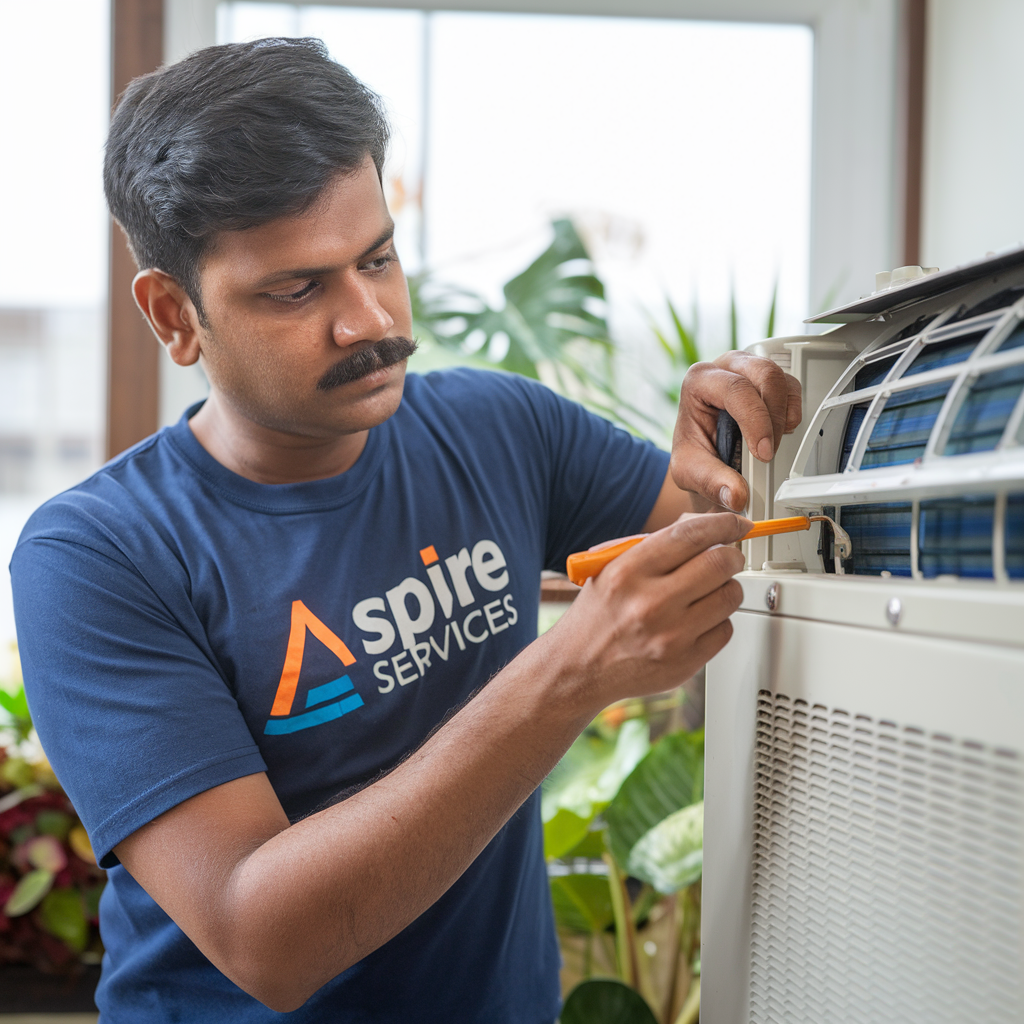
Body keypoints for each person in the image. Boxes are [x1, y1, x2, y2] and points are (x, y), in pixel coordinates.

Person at [10, 38, 800, 1023]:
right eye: (297, 289)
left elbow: (702, 535)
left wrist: (725, 457)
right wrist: (570, 674)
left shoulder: (500, 426)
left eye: (377, 258)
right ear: (175, 314)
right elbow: (266, 939)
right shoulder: (96, 558)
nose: (370, 319)